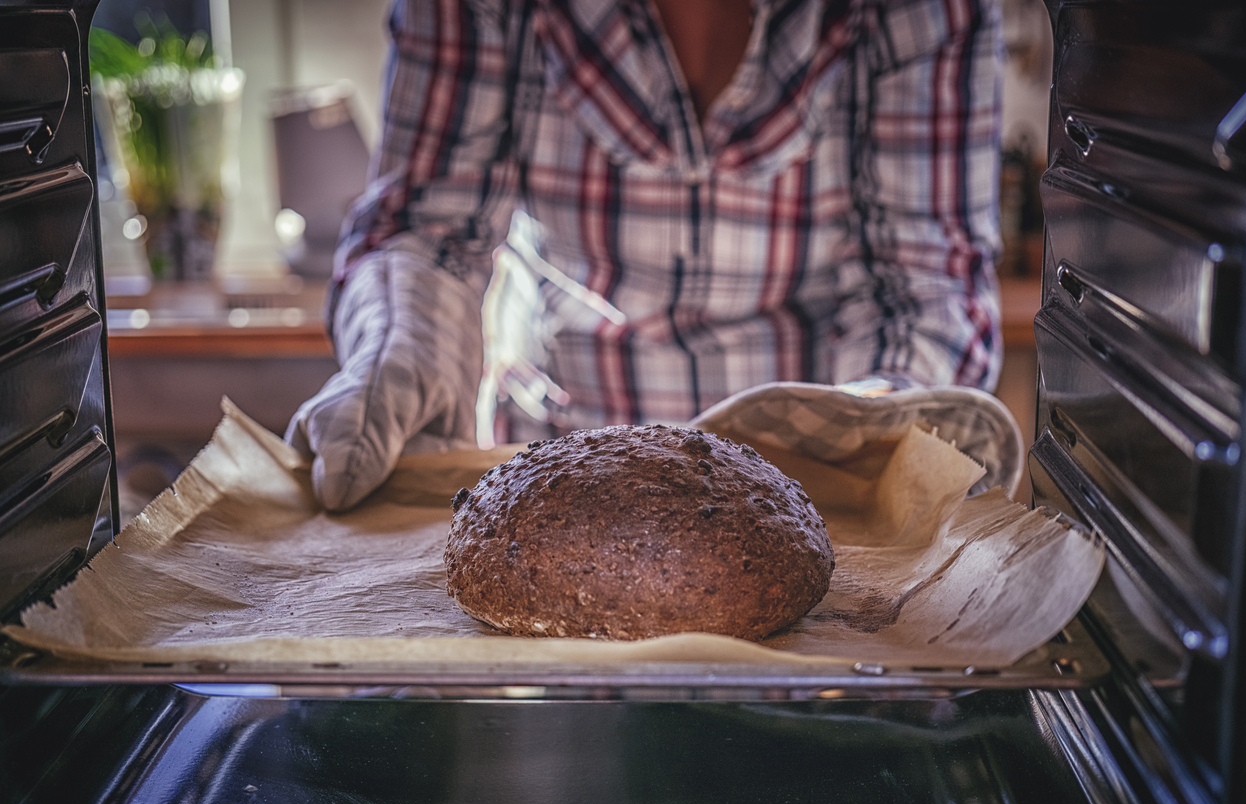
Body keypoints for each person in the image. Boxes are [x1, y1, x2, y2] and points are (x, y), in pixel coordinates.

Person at [287, 0, 1005, 510]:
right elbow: (430, 233)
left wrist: (864, 453)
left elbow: (923, 288)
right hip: (549, 476)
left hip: (807, 488)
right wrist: (397, 351)